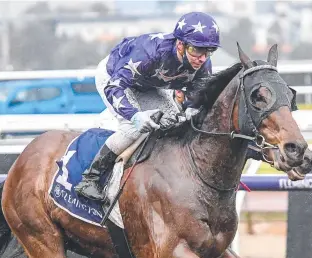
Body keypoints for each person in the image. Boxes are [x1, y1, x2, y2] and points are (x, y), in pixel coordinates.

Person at [74, 11, 221, 203]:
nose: (202, 58)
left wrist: (192, 111)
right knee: (133, 128)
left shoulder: (202, 64)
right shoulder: (150, 53)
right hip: (113, 78)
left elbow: (196, 94)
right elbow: (115, 86)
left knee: (173, 121)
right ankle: (90, 178)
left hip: (148, 84)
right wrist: (135, 115)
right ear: (180, 44)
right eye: (196, 50)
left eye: (208, 51)